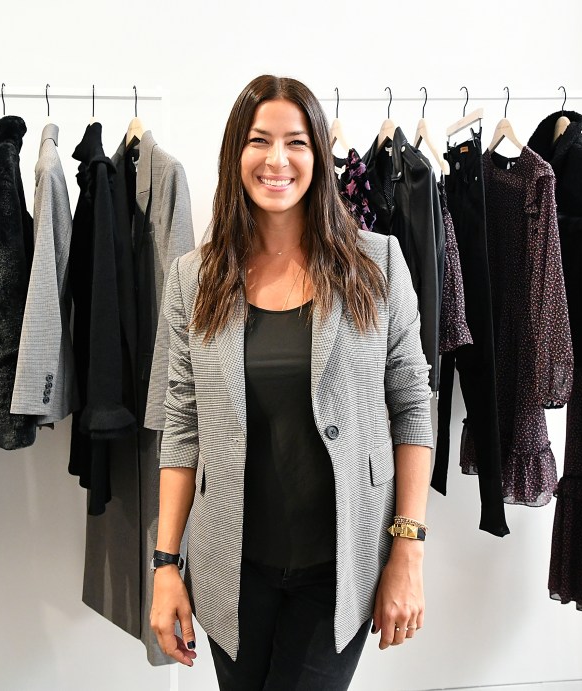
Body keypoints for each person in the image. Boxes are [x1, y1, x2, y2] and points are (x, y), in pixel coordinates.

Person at [149, 74, 433, 691]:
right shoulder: (192, 281)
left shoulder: (377, 265)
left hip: (340, 569)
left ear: (318, 156)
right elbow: (181, 426)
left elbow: (413, 405)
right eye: (259, 140)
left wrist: (407, 549)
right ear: (236, 154)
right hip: (233, 573)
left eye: (295, 142)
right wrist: (165, 564)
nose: (277, 160)